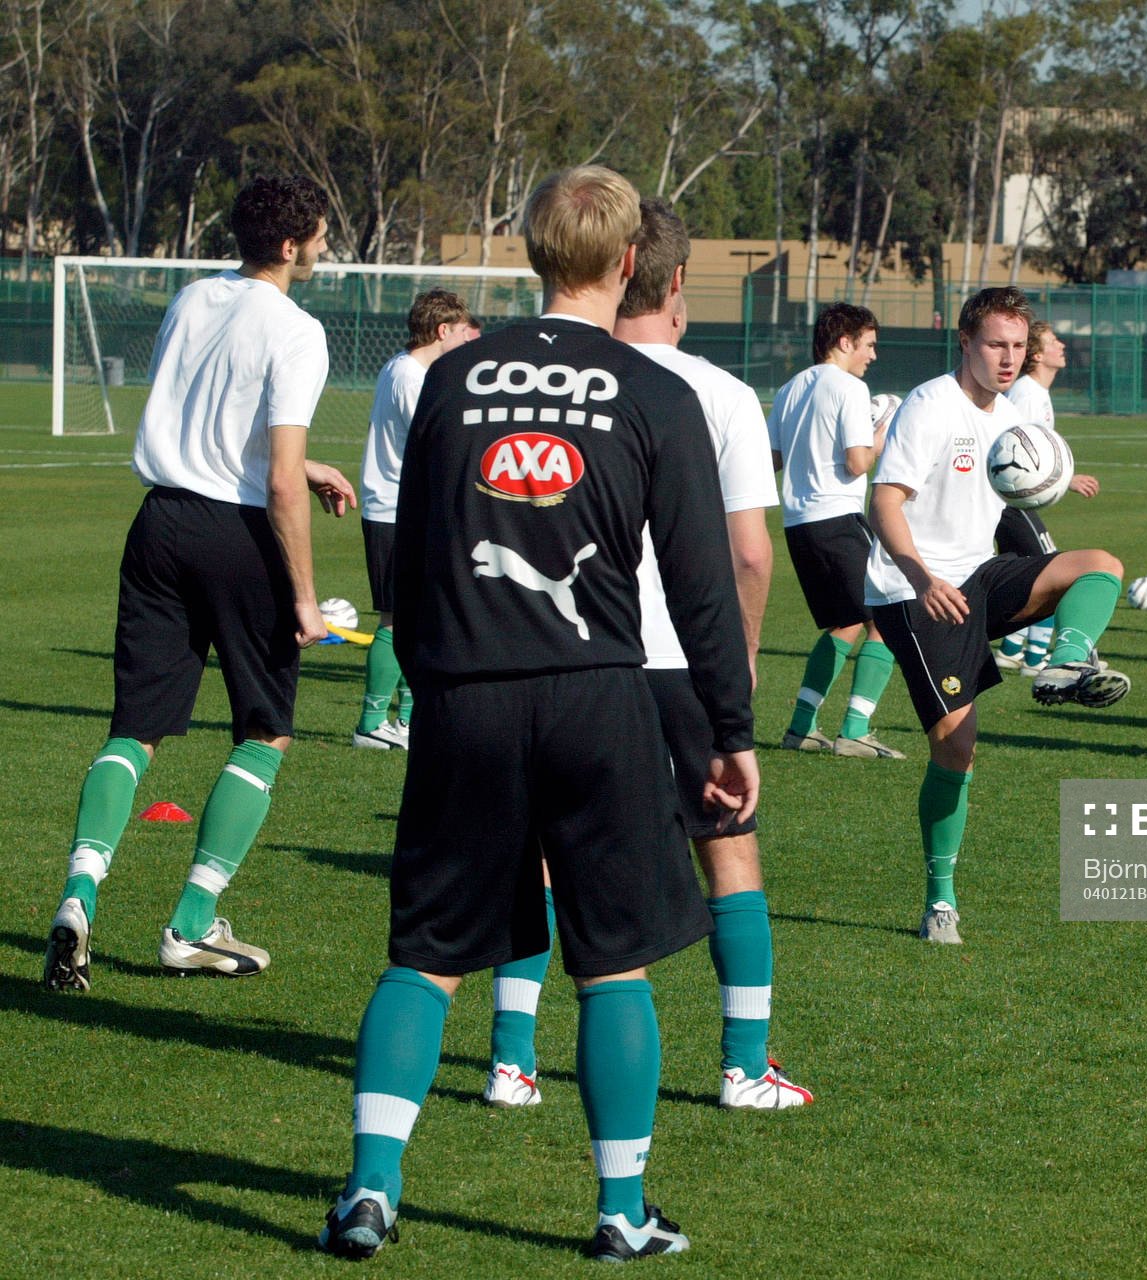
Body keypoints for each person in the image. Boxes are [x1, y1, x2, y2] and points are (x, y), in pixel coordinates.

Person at [317, 164, 758, 1264]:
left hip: (467, 691)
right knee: (611, 963)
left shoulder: (451, 376)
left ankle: (371, 1191)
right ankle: (621, 1209)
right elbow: (704, 583)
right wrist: (731, 730)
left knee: (424, 957)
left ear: (529, 251)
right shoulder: (662, 391)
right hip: (600, 696)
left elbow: (408, 552)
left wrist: (431, 673)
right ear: (626, 264)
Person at [476, 197, 809, 1114]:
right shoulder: (719, 394)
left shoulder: (545, 380)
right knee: (729, 856)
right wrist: (733, 675)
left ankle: (512, 1061)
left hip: (571, 657)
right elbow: (745, 552)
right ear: (667, 281)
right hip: (683, 663)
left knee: (542, 857)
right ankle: (744, 1067)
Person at [42, 174, 355, 992]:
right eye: (318, 236)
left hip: (159, 523)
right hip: (237, 536)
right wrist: (302, 598)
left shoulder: (192, 299)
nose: (322, 248)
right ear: (290, 246)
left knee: (135, 728)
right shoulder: (297, 329)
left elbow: (210, 418)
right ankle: (188, 924)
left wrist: (303, 465)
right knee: (264, 731)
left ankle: (79, 896)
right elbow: (280, 483)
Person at [865, 286, 1130, 945]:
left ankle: (1066, 664)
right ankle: (939, 902)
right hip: (913, 590)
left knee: (1099, 563)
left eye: (1018, 346)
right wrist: (920, 576)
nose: (1008, 358)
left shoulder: (1008, 414)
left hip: (975, 574)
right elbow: (884, 502)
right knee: (956, 747)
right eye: (995, 344)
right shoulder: (931, 405)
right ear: (964, 341)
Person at [768, 302, 905, 759]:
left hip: (798, 525)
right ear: (844, 342)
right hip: (838, 519)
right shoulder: (849, 387)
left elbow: (773, 460)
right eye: (868, 345)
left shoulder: (788, 389)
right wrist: (883, 435)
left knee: (844, 625)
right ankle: (855, 729)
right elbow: (856, 462)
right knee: (885, 619)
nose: (873, 355)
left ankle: (801, 728)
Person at [353, 290, 479, 749]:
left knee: (419, 619)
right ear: (443, 330)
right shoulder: (410, 376)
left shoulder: (408, 370)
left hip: (409, 510)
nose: (468, 341)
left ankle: (406, 719)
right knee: (395, 620)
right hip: (393, 511)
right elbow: (437, 443)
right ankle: (370, 724)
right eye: (463, 332)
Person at [995, 321, 1101, 674]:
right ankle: (1035, 658)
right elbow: (1015, 450)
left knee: (1033, 571)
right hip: (1009, 503)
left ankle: (1012, 649)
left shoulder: (1036, 391)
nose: (1062, 347)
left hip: (1013, 503)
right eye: (1055, 342)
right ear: (1037, 355)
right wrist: (1065, 480)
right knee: (1051, 571)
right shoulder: (1026, 392)